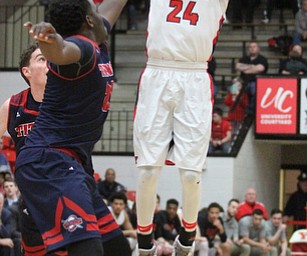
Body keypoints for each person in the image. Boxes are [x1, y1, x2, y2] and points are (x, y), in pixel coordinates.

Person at [15, 0, 131, 255]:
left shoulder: (97, 40)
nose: (101, 11)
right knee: (88, 250)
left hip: (71, 165)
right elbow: (62, 50)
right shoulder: (82, 47)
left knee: (117, 249)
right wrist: (49, 41)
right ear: (90, 20)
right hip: (50, 161)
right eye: (94, 10)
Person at [133, 1, 229, 255]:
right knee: (147, 172)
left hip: (194, 76)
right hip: (157, 71)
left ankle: (186, 239)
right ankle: (144, 244)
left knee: (190, 174)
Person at [235, 40, 268, 116]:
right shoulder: (244, 58)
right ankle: (236, 113)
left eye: (254, 47)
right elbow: (237, 66)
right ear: (248, 49)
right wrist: (253, 67)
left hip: (256, 82)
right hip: (243, 81)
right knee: (233, 88)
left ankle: (251, 112)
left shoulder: (262, 59)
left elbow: (260, 69)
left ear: (258, 48)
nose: (252, 48)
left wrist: (245, 68)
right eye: (250, 47)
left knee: (253, 89)